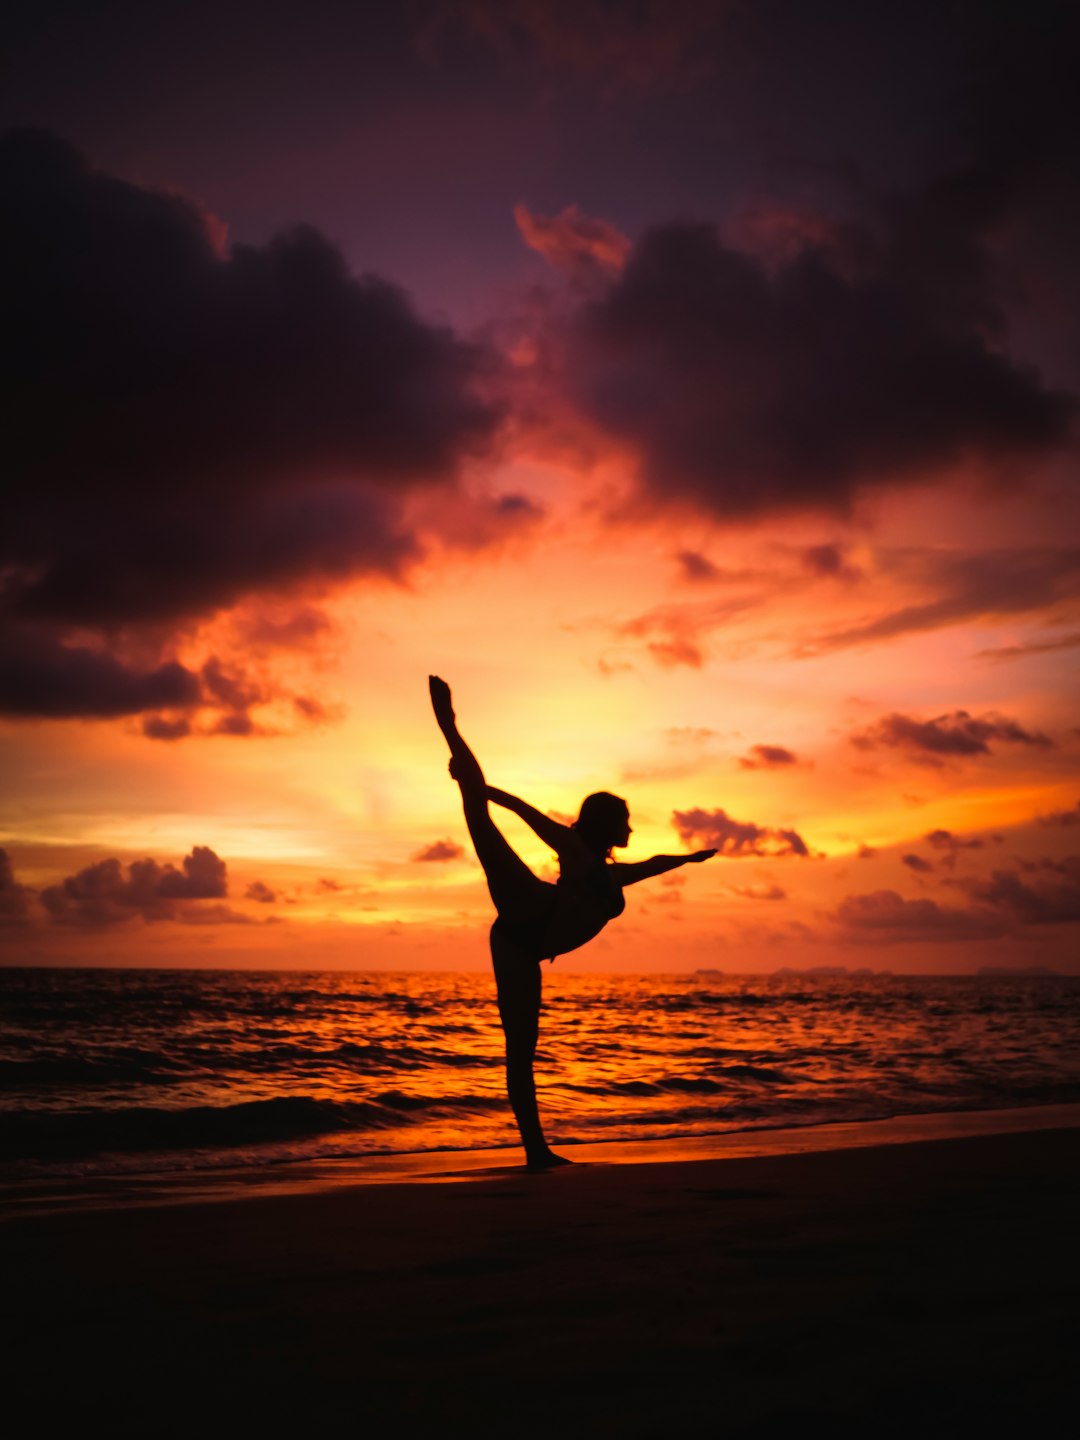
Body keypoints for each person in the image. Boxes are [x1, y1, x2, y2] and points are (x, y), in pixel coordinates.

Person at [429, 675, 717, 1170]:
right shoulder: (576, 849)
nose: (630, 828)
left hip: (530, 941)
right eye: (624, 821)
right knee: (479, 816)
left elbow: (654, 864)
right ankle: (450, 727)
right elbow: (526, 812)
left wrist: (688, 859)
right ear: (605, 824)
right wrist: (483, 787)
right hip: (525, 918)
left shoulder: (611, 876)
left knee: (524, 1049)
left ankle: (538, 1152)